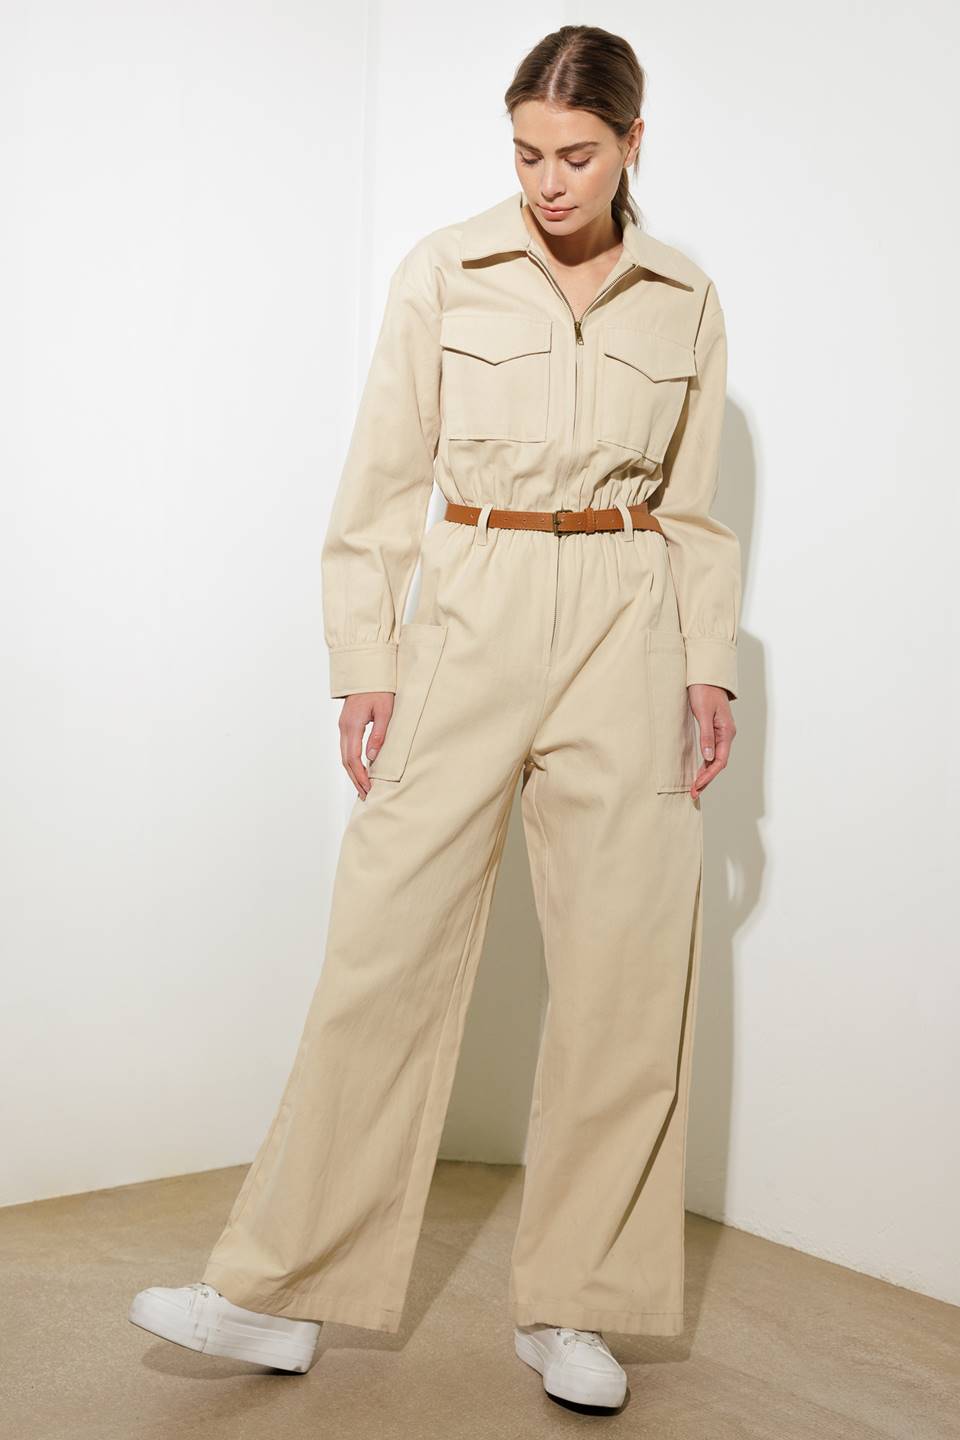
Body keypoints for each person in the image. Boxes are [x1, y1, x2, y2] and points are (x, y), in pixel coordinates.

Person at [128, 23, 741, 1412]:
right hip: (469, 604)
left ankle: (578, 1305)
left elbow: (696, 509)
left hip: (628, 617)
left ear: (633, 145)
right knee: (383, 946)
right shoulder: (445, 271)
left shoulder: (686, 299)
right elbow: (378, 481)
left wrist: (707, 665)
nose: (547, 182)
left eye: (576, 155)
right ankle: (281, 1292)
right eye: (525, 153)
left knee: (627, 974)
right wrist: (367, 660)